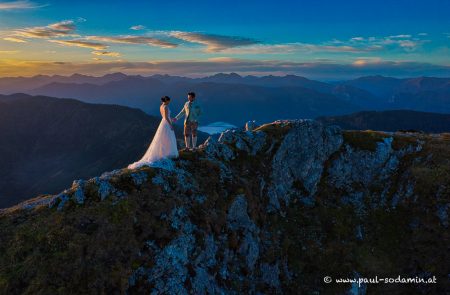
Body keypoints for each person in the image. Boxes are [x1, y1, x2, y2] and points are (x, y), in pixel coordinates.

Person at [128, 96, 178, 169]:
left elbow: (164, 116)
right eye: (168, 101)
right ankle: (169, 153)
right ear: (166, 100)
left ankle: (164, 153)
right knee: (169, 138)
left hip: (162, 123)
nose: (169, 102)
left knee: (162, 138)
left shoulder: (161, 106)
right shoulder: (166, 107)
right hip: (166, 123)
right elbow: (166, 117)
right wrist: (170, 124)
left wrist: (171, 119)